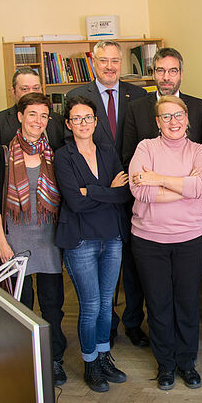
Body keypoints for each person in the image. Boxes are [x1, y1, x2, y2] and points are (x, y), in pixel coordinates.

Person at [129, 95, 202, 390]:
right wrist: (184, 187)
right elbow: (141, 192)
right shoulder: (145, 148)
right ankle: (165, 364)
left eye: (178, 115)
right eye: (166, 117)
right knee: (159, 304)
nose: (173, 122)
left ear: (187, 118)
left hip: (189, 239)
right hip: (149, 240)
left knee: (187, 302)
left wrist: (159, 178)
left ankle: (187, 363)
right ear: (157, 122)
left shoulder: (198, 151)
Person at [67, 40, 148, 348]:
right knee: (104, 266)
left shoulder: (138, 95)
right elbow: (72, 147)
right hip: (98, 199)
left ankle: (133, 322)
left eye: (116, 61)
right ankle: (107, 325)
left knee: (131, 263)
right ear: (94, 63)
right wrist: (102, 189)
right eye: (104, 61)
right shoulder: (78, 97)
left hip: (133, 189)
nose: (110, 66)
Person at [0, 92, 67, 386]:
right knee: (21, 306)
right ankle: (26, 361)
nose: (38, 121)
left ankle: (54, 359)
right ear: (20, 116)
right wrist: (3, 242)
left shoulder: (55, 153)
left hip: (48, 241)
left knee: (52, 305)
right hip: (15, 241)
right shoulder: (4, 154)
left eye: (44, 116)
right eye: (32, 114)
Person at [54, 95, 132, 393]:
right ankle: (90, 363)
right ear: (68, 123)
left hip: (111, 237)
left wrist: (92, 191)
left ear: (96, 121)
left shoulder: (108, 152)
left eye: (88, 118)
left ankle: (103, 357)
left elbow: (124, 194)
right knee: (90, 305)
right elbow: (74, 201)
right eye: (77, 118)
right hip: (81, 240)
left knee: (105, 305)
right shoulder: (63, 156)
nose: (83, 123)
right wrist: (106, 191)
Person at [121, 47, 202, 162]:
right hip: (149, 178)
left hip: (189, 178)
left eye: (173, 71)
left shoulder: (201, 109)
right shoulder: (135, 109)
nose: (166, 77)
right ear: (153, 74)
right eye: (160, 70)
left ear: (181, 74)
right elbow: (129, 157)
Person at [0, 67, 66, 170]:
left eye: (36, 88)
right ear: (13, 92)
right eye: (25, 89)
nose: (31, 93)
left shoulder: (58, 120)